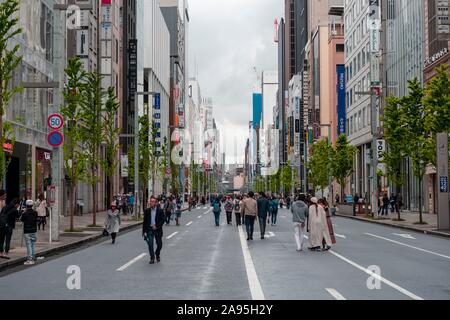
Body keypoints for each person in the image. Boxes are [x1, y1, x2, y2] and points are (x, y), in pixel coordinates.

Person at [143, 196, 165, 264]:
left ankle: (157, 254)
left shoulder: (160, 210)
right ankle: (152, 257)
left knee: (159, 244)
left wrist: (157, 226)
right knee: (150, 244)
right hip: (150, 229)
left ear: (156, 203)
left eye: (153, 201)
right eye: (151, 201)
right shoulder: (147, 211)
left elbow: (163, 220)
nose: (151, 203)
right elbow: (145, 222)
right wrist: (144, 232)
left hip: (157, 230)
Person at [21, 200, 38, 265]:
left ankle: (30, 259)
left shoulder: (24, 213)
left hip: (27, 231)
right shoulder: (35, 212)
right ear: (32, 205)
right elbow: (36, 219)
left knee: (29, 245)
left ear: (26, 205)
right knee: (33, 244)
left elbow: (22, 220)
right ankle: (33, 257)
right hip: (34, 230)